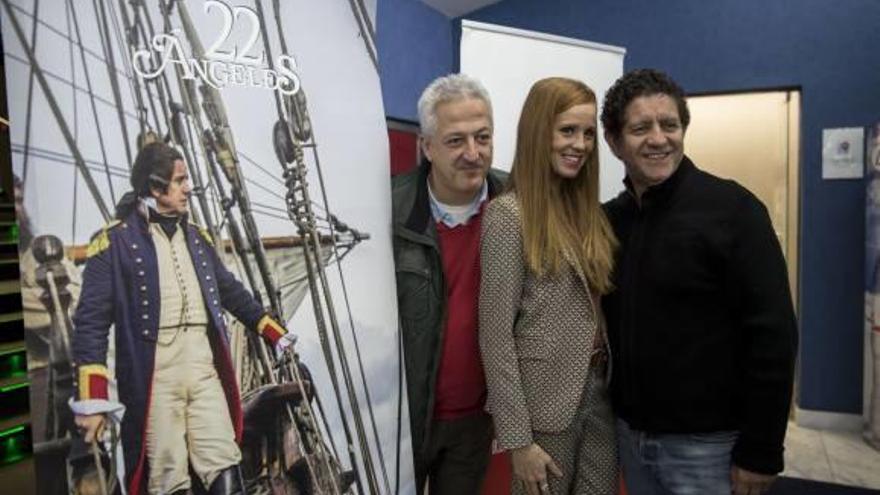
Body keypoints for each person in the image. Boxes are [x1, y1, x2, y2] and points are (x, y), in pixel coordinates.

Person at [601, 68, 798, 495]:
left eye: (669, 125)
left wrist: (761, 450)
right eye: (640, 128)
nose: (658, 138)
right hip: (631, 442)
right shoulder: (609, 222)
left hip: (710, 451)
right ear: (614, 142)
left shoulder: (735, 211)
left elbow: (774, 336)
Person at [70, 142, 296, 495]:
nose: (189, 187)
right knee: (167, 474)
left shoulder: (198, 239)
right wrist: (93, 399)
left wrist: (275, 333)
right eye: (180, 180)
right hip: (156, 375)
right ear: (156, 187)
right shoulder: (114, 244)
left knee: (224, 462)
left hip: (203, 369)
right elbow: (91, 325)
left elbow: (232, 294)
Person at [479, 77, 618, 495]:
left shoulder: (589, 214)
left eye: (588, 133)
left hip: (601, 396)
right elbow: (495, 335)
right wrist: (518, 440)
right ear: (541, 131)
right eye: (567, 130)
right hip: (542, 408)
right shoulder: (508, 215)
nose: (580, 144)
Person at [392, 73, 505, 494]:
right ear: (427, 147)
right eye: (456, 140)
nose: (473, 153)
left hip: (476, 421)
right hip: (403, 419)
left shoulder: (517, 203)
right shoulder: (388, 209)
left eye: (483, 137)